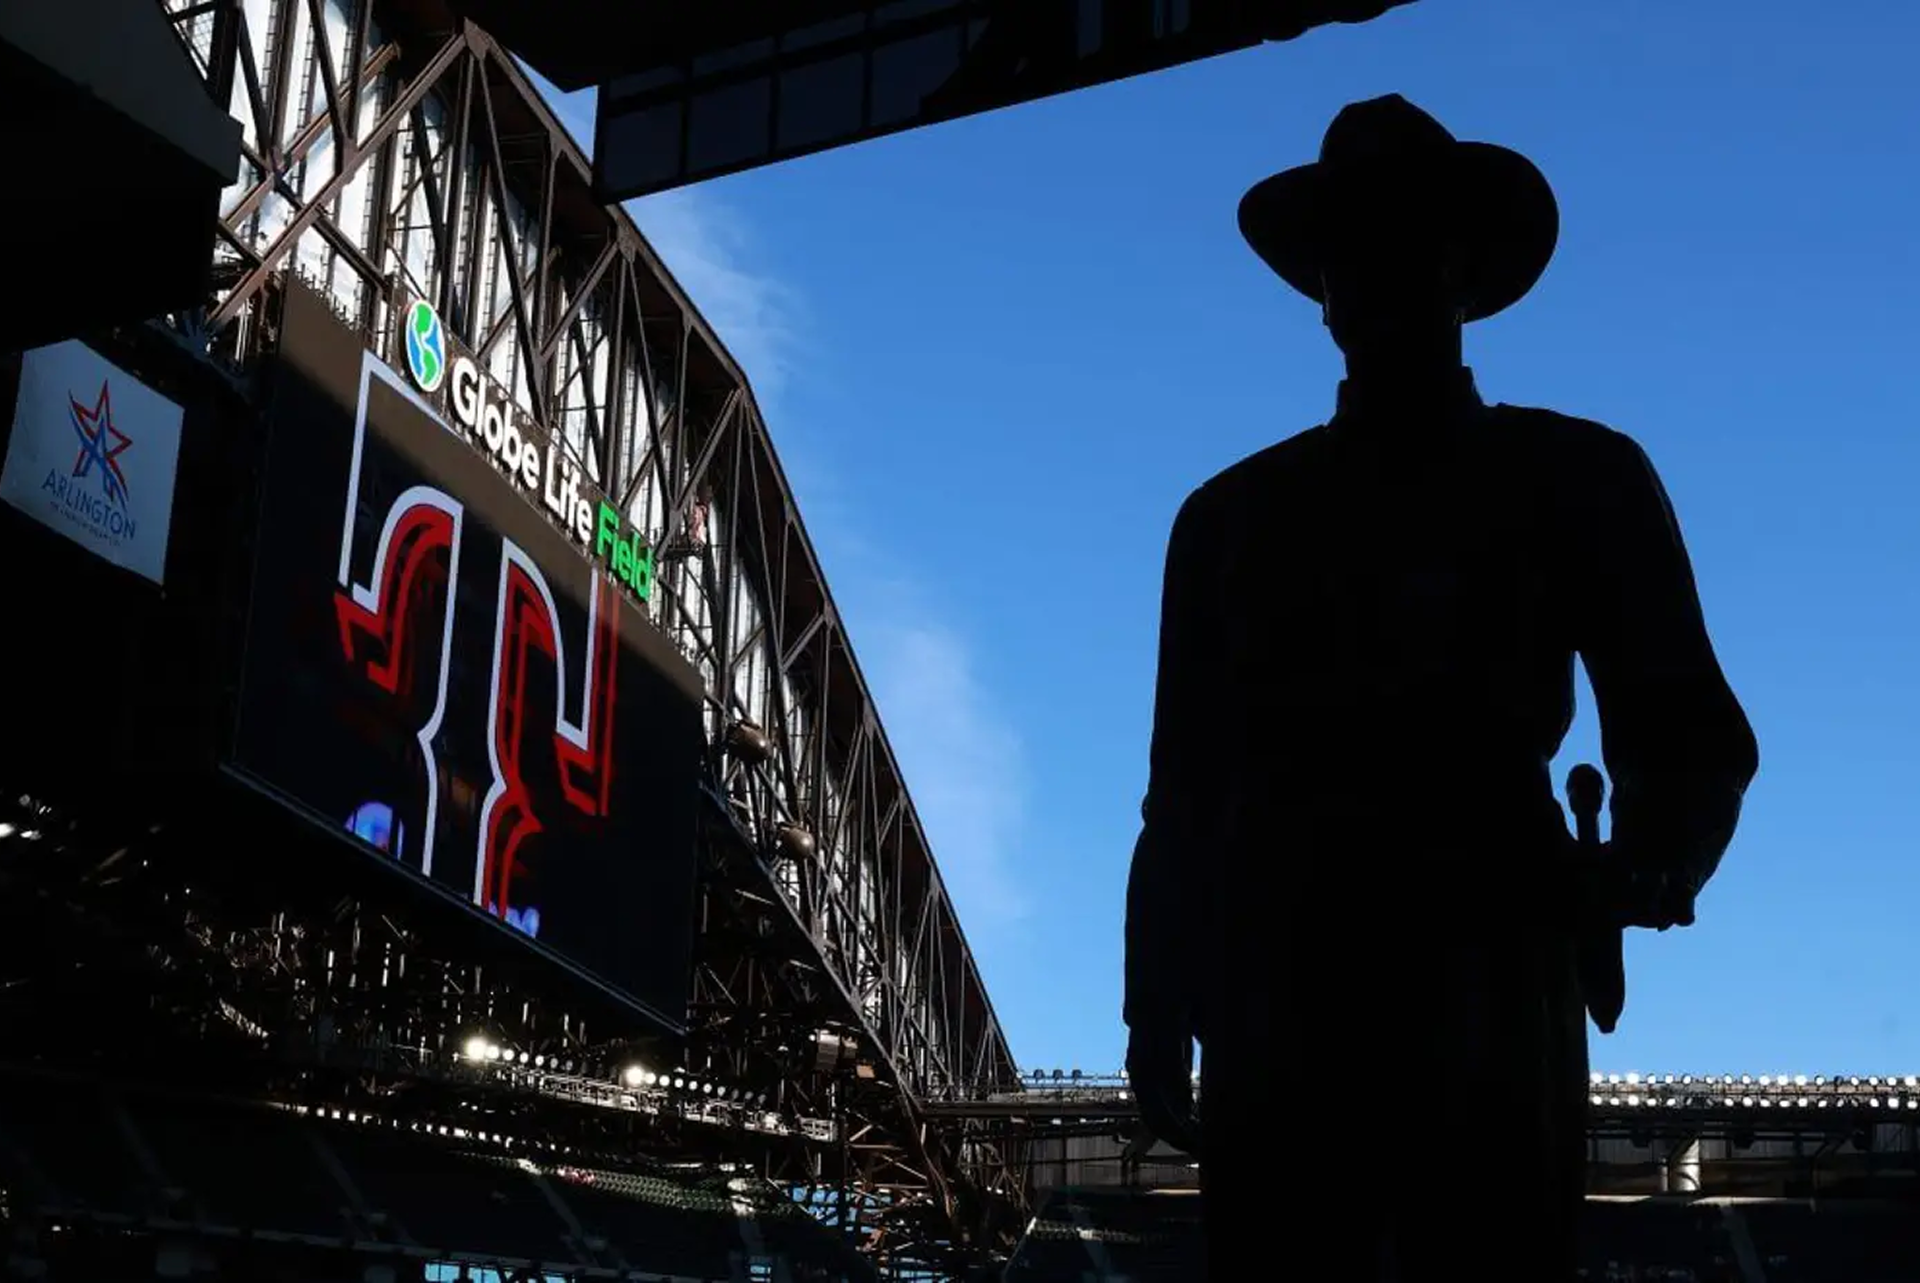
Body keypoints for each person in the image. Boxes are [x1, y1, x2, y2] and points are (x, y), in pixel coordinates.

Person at [1122, 95, 1759, 1280]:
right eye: (1350, 247)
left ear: (1464, 269)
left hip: (1480, 954)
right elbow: (1181, 791)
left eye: (1406, 238)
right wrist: (1154, 998)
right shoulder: (1223, 522)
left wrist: (1663, 848)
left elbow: (1679, 718)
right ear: (1320, 289)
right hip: (1298, 974)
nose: (1375, 271)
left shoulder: (1579, 476)